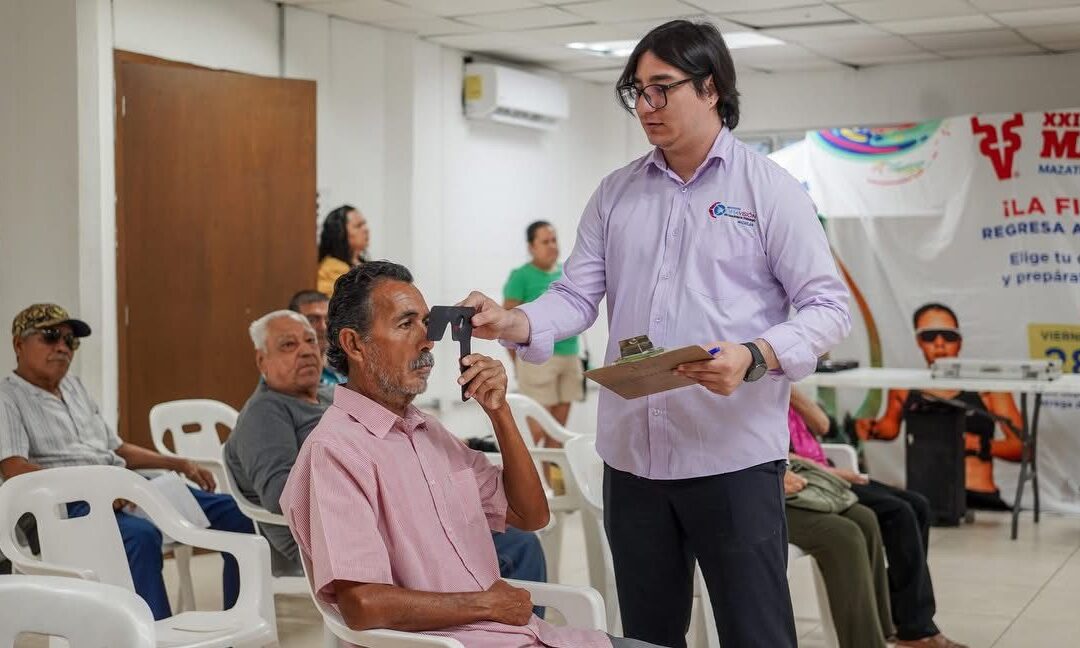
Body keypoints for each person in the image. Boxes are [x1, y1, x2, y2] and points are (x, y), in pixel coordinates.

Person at [459, 19, 850, 648]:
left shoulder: (769, 191)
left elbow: (827, 306)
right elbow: (575, 295)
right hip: (635, 463)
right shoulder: (617, 194)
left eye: (662, 89)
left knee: (757, 632)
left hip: (733, 459)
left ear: (711, 87)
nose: (646, 107)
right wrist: (517, 322)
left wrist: (756, 355)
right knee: (646, 636)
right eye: (636, 91)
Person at [280, 261, 669, 648]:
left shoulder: (428, 432)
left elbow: (532, 515)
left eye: (427, 324)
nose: (427, 340)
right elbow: (361, 604)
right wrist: (486, 604)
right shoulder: (335, 451)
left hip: (521, 636)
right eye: (405, 324)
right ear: (353, 344)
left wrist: (500, 412)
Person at [228, 308, 548, 585]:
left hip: (399, 514)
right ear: (261, 360)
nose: (306, 351)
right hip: (335, 534)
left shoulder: (331, 396)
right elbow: (278, 495)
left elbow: (530, 512)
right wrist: (392, 488)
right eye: (288, 345)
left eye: (310, 340)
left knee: (516, 540)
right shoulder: (265, 413)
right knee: (506, 548)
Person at [0, 303, 254, 620]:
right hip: (68, 508)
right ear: (18, 344)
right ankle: (153, 636)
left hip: (123, 489)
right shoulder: (7, 398)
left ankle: (237, 621)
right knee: (140, 537)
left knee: (237, 515)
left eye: (70, 341)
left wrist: (179, 463)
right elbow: (15, 471)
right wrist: (96, 490)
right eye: (50, 336)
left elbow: (117, 448)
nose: (63, 347)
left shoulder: (74, 387)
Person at [791, 388, 967, 648]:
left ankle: (904, 612)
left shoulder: (783, 392)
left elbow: (823, 425)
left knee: (918, 506)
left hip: (826, 471)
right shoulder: (753, 398)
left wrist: (791, 391)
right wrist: (836, 473)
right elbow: (778, 457)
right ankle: (914, 626)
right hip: (814, 478)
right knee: (899, 513)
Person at [856, 303, 1023, 510]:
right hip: (925, 498)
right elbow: (889, 428)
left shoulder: (988, 390)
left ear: (959, 341)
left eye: (949, 336)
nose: (940, 343)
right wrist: (870, 428)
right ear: (919, 341)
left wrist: (979, 445)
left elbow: (1023, 448)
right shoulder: (904, 388)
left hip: (978, 499)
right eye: (929, 336)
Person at [784, 464, 894, 648]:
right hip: (757, 491)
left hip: (788, 475)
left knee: (866, 518)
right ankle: (865, 644)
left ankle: (879, 633)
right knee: (845, 535)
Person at [503, 221, 583, 448]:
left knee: (558, 434)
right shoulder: (521, 276)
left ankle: (551, 483)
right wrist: (518, 363)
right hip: (538, 362)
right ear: (531, 247)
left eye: (554, 240)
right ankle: (528, 482)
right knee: (535, 432)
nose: (552, 246)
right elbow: (507, 324)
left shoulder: (566, 273)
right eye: (545, 241)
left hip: (570, 357)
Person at [288, 289, 346, 385]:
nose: (323, 327)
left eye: (328, 319)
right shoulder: (284, 374)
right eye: (312, 320)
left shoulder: (347, 364)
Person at [317, 204, 369, 296]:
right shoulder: (330, 268)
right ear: (340, 233)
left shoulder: (363, 263)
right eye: (358, 226)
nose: (366, 229)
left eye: (364, 224)